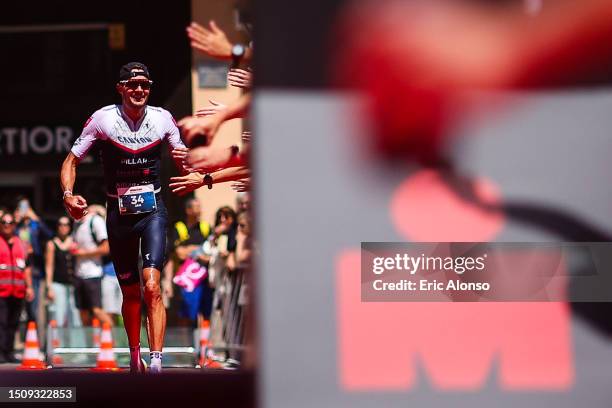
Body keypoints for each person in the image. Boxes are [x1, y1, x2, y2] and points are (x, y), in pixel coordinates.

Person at [60, 62, 194, 373]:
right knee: (131, 292)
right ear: (120, 88)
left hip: (152, 212)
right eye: (132, 84)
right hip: (118, 215)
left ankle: (157, 364)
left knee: (152, 286)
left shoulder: (162, 119)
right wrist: (68, 196)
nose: (139, 90)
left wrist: (195, 168)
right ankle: (135, 360)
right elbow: (71, 161)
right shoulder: (103, 120)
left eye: (145, 85)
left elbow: (183, 158)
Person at [168, 198, 212, 327]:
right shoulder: (179, 228)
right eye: (196, 207)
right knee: (186, 313)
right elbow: (179, 253)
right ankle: (186, 344)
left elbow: (210, 251)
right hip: (186, 278)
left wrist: (190, 249)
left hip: (204, 276)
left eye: (200, 206)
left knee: (204, 312)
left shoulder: (205, 227)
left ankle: (202, 343)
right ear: (188, 210)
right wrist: (198, 250)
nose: (199, 210)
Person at [0, 212, 34, 363]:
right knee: (1, 323)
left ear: (14, 225)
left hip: (18, 291)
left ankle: (9, 352)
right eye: (4, 223)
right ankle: (1, 352)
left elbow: (26, 268)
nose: (7, 226)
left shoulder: (21, 244)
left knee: (13, 323)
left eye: (10, 223)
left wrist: (29, 287)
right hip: (1, 291)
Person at [71, 208, 112, 328]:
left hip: (94, 273)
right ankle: (90, 345)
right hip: (79, 274)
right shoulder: (76, 223)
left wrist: (82, 253)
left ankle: (118, 341)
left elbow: (106, 248)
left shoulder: (95, 221)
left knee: (97, 311)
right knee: (82, 312)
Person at [45, 216, 81, 328]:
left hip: (73, 285)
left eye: (66, 224)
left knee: (75, 318)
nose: (63, 227)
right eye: (61, 224)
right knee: (58, 317)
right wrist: (49, 287)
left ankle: (75, 345)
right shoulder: (52, 244)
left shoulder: (74, 242)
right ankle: (56, 344)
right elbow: (49, 266)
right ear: (57, 227)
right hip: (58, 285)